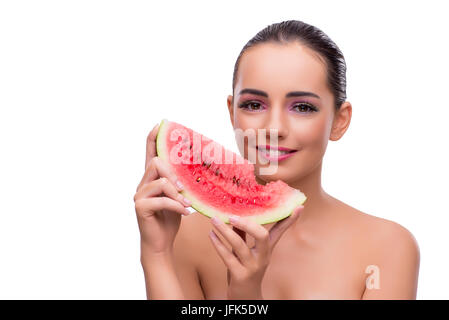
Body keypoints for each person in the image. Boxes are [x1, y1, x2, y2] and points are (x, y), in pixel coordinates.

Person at [134, 20, 420, 300]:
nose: (275, 128)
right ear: (232, 112)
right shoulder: (184, 238)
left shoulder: (388, 248)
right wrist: (156, 254)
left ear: (339, 121)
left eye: (303, 107)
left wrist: (246, 296)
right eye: (254, 105)